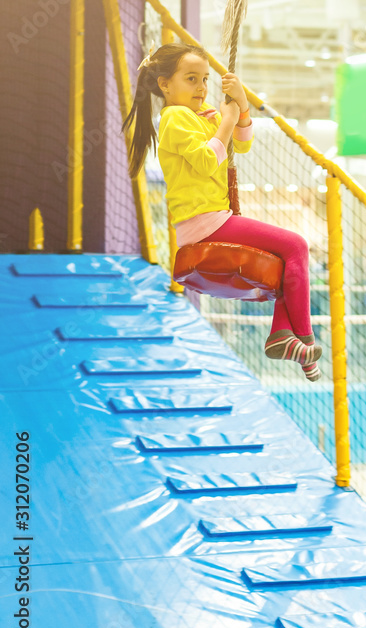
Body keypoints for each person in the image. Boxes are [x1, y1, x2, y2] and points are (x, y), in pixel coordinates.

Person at [122, 43, 321, 381]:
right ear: (165, 85)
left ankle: (282, 335)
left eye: (204, 79)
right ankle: (303, 338)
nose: (201, 88)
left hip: (213, 219)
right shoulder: (174, 117)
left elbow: (242, 145)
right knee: (296, 246)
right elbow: (203, 162)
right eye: (191, 79)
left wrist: (241, 108)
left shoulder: (200, 117)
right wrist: (227, 121)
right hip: (204, 222)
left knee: (290, 254)